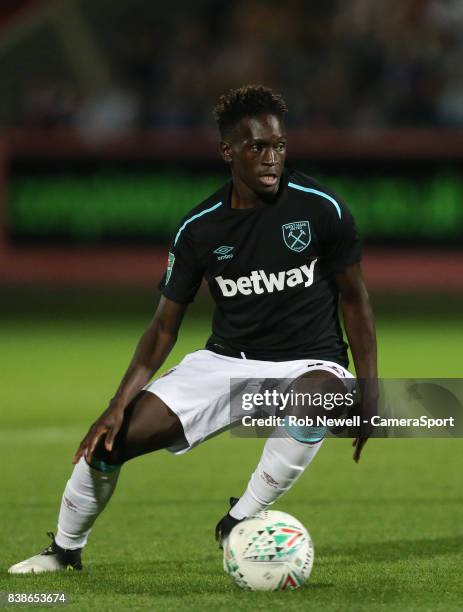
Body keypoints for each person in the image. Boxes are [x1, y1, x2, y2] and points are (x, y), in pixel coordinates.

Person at [9, 85, 377, 574]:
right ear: (228, 151)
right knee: (109, 444)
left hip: (309, 364)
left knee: (312, 397)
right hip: (226, 362)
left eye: (280, 146)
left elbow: (355, 299)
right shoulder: (199, 229)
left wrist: (368, 389)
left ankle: (240, 518)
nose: (272, 159)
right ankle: (64, 552)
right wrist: (116, 406)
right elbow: (163, 328)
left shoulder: (320, 207)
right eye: (258, 147)